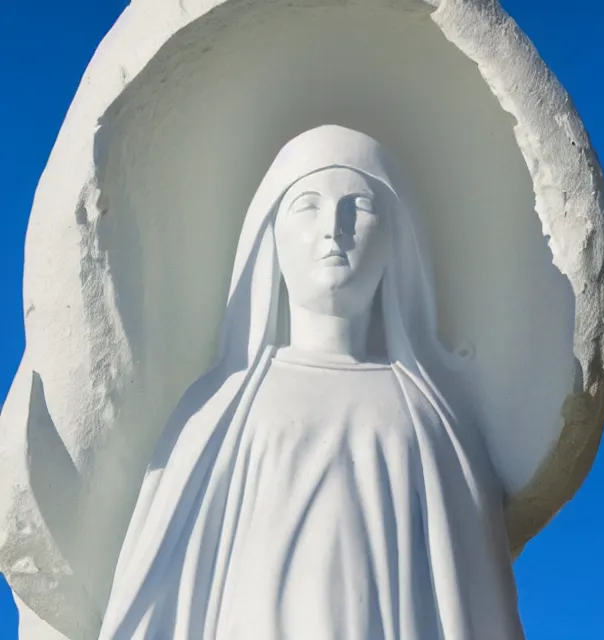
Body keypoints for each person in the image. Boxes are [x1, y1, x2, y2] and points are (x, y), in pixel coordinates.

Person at [98, 125, 524, 640]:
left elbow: (473, 600)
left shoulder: (430, 419)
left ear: (395, 241)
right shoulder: (222, 408)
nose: (334, 228)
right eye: (307, 206)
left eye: (359, 207)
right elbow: (165, 580)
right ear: (270, 236)